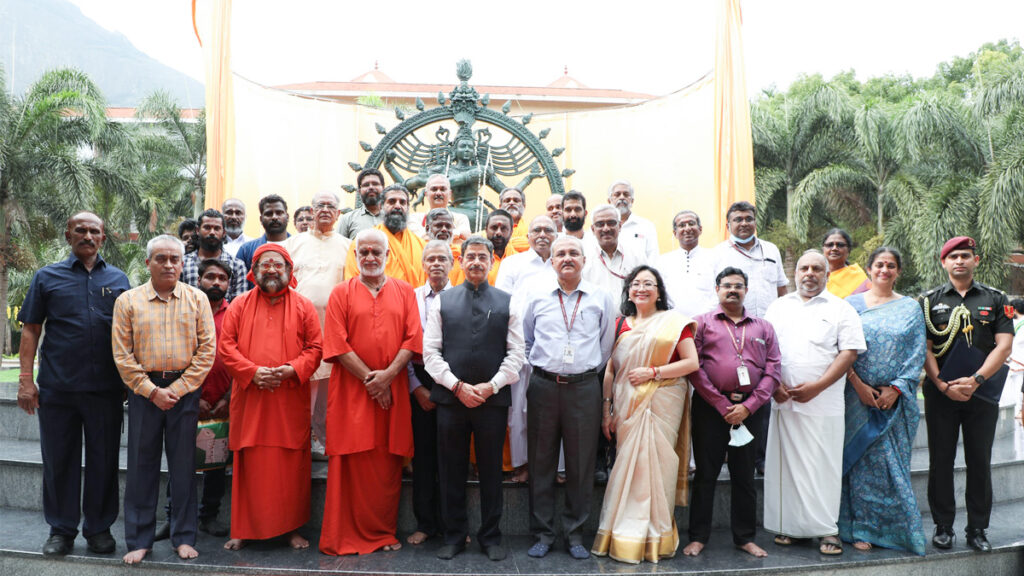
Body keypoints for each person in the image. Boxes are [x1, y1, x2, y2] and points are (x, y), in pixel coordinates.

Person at [16, 212, 130, 557]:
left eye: (94, 230)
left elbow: (129, 334)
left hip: (105, 390)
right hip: (58, 388)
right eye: (80, 230)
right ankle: (61, 531)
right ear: (68, 236)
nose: (87, 235)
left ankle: (98, 529)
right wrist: (25, 381)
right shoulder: (46, 277)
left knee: (104, 460)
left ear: (103, 238)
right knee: (59, 461)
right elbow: (31, 328)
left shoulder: (119, 279)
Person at [112, 235, 216, 564]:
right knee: (142, 467)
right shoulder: (128, 301)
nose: (168, 264)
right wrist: (151, 390)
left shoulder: (197, 299)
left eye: (175, 259)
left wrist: (180, 388)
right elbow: (122, 355)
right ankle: (139, 540)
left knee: (184, 467)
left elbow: (207, 351)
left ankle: (183, 537)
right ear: (148, 263)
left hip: (185, 391)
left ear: (184, 263)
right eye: (161, 259)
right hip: (144, 392)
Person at [320, 229, 422, 555]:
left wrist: (389, 376)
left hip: (393, 391)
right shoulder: (341, 292)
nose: (370, 258)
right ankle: (344, 535)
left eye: (376, 252)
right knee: (351, 461)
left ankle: (381, 532)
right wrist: (374, 382)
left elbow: (412, 340)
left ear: (387, 256)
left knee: (385, 463)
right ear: (355, 257)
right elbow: (336, 343)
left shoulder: (406, 292)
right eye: (363, 252)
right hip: (352, 392)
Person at [424, 236, 526, 560]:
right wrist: (457, 387)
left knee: (491, 470)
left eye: (483, 257)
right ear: (461, 261)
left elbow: (517, 354)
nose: (476, 262)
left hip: (491, 401)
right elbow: (430, 353)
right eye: (471, 256)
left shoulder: (508, 301)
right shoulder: (443, 301)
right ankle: (454, 535)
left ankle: (491, 537)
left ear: (492, 261)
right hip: (451, 400)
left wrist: (490, 386)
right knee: (451, 469)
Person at [591, 265, 699, 564]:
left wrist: (653, 372)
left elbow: (692, 363)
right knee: (629, 466)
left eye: (648, 283)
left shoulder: (674, 323)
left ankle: (655, 535)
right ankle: (623, 533)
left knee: (656, 468)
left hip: (663, 400)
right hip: (626, 405)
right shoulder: (620, 325)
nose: (641, 288)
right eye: (635, 283)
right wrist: (606, 410)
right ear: (628, 290)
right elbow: (611, 370)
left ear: (659, 291)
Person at [219, 244, 323, 551]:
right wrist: (252, 372)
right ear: (254, 271)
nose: (272, 269)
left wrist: (292, 370)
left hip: (288, 399)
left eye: (278, 264)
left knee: (291, 465)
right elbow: (226, 347)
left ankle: (290, 529)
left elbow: (316, 349)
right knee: (248, 463)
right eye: (265, 265)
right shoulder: (239, 304)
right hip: (251, 398)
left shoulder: (303, 305)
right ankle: (242, 529)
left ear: (289, 271)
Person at [762, 250, 865, 555]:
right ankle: (793, 528)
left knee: (823, 466)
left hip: (824, 403)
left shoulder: (841, 309)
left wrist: (818, 387)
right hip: (784, 401)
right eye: (804, 268)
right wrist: (773, 385)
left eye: (816, 269)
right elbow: (765, 350)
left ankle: (826, 530)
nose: (809, 273)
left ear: (827, 275)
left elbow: (849, 353)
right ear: (795, 273)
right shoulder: (778, 307)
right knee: (787, 467)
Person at [522, 236, 617, 560]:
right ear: (552, 261)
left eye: (573, 253)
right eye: (560, 253)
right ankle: (543, 533)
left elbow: (606, 345)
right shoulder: (536, 297)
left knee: (581, 464)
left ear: (583, 259)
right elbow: (526, 339)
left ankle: (575, 533)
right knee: (541, 461)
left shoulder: (601, 297)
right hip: (544, 386)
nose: (566, 258)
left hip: (583, 389)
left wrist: (583, 369)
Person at [920, 236, 1013, 552]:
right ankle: (943, 526)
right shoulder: (929, 301)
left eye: (965, 255)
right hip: (941, 394)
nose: (959, 261)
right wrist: (942, 384)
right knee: (941, 460)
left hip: (981, 393)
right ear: (943, 262)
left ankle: (977, 529)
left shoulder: (996, 299)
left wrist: (975, 380)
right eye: (953, 256)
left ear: (976, 261)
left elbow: (1004, 345)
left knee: (979, 461)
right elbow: (926, 348)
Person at [683, 266, 781, 559]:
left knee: (744, 475)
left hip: (751, 410)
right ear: (717, 290)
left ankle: (745, 537)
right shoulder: (701, 323)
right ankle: (698, 537)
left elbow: (774, 370)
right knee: (706, 474)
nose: (733, 290)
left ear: (746, 291)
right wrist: (722, 404)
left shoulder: (763, 327)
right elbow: (695, 368)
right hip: (710, 408)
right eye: (727, 285)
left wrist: (749, 406)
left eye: (738, 285)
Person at [838, 247, 926, 555]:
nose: (884, 270)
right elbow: (840, 346)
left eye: (890, 265)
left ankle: (893, 529)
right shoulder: (850, 305)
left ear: (898, 271)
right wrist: (858, 385)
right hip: (855, 398)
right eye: (879, 264)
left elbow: (917, 353)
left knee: (891, 467)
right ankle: (858, 527)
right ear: (869, 268)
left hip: (895, 403)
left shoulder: (910, 308)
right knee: (859, 466)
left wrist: (897, 389)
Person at [156, 259, 235, 541]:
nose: (216, 282)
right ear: (198, 279)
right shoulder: (185, 309)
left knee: (216, 463)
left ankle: (208, 516)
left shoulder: (236, 313)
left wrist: (229, 396)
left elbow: (242, 356)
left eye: (222, 278)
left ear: (229, 284)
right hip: (187, 399)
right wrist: (194, 394)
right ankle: (173, 516)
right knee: (181, 460)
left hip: (225, 403)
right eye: (210, 277)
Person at [284, 191, 351, 459]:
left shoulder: (349, 246)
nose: (325, 209)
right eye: (319, 205)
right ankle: (297, 441)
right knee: (300, 389)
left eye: (330, 206)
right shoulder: (293, 244)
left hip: (334, 331)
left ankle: (323, 443)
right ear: (311, 211)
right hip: (297, 331)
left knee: (327, 391)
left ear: (338, 214)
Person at [495, 215, 559, 482]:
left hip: (555, 349)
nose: (542, 234)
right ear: (528, 235)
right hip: (519, 348)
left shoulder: (563, 261)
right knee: (519, 411)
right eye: (537, 230)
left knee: (554, 413)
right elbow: (501, 306)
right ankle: (522, 466)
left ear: (556, 234)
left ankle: (554, 467)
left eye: (548, 230)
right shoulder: (513, 264)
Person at [405, 240, 454, 546]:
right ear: (423, 265)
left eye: (442, 259)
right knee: (423, 458)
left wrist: (449, 385)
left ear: (453, 264)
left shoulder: (463, 297)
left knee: (452, 457)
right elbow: (403, 346)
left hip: (453, 381)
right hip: (419, 379)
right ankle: (425, 523)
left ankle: (452, 526)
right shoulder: (410, 298)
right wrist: (417, 387)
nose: (436, 264)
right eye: (430, 259)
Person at [712, 201, 788, 318]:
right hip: (734, 324)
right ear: (728, 226)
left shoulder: (771, 250)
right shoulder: (718, 253)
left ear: (755, 223)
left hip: (770, 322)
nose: (744, 223)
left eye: (749, 219)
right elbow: (712, 293)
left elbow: (781, 288)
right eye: (738, 220)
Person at [344, 184, 426, 287]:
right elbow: (352, 284)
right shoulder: (362, 242)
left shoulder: (421, 245)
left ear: (408, 207)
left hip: (412, 302)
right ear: (381, 206)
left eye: (402, 202)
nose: (397, 206)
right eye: (392, 201)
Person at [655, 210, 717, 318]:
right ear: (675, 233)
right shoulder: (663, 261)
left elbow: (719, 293)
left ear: (700, 229)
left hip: (707, 323)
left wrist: (701, 318)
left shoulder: (714, 257)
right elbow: (659, 293)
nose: (687, 228)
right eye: (682, 225)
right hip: (672, 323)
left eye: (691, 224)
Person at [180, 208, 247, 301]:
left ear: (224, 232)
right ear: (197, 230)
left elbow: (239, 304)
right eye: (207, 227)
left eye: (216, 228)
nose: (212, 232)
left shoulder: (237, 266)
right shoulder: (183, 263)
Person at [582, 204, 645, 297]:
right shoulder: (584, 259)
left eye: (611, 223)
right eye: (600, 224)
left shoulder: (636, 254)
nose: (606, 228)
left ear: (619, 226)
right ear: (592, 229)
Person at [451, 209, 513, 287]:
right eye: (494, 228)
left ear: (511, 232)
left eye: (503, 228)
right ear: (486, 229)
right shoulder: (471, 258)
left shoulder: (518, 261)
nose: (498, 232)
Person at [235, 194, 291, 273]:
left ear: (287, 217)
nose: (274, 217)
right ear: (261, 219)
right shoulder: (246, 250)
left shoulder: (299, 247)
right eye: (269, 214)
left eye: (279, 213)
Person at [410, 174, 472, 243]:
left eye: (443, 189)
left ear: (450, 193)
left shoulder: (461, 219)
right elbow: (419, 238)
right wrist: (458, 234)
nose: (438, 193)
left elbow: (467, 237)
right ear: (426, 194)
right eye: (434, 189)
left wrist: (431, 236)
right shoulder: (414, 219)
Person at [608, 180, 659, 261]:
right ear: (609, 201)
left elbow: (653, 258)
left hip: (639, 273)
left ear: (632, 201)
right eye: (617, 194)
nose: (621, 197)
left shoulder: (646, 226)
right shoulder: (602, 228)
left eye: (626, 194)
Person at [338, 168, 386, 239]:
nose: (371, 187)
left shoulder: (393, 218)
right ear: (359, 191)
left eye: (375, 184)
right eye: (366, 185)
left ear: (383, 188)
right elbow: (340, 247)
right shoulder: (347, 219)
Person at [823, 228, 869, 298]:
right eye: (830, 245)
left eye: (840, 245)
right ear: (823, 249)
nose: (834, 248)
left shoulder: (858, 277)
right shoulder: (816, 274)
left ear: (849, 250)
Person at [499, 187, 531, 254]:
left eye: (516, 200)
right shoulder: (491, 230)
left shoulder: (531, 230)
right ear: (500, 206)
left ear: (524, 206)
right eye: (507, 200)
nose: (511, 203)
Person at [1006, 299, 1024, 414]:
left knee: (1015, 388)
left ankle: (1016, 411)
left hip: (1015, 359)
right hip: (1017, 359)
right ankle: (1017, 411)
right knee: (1017, 388)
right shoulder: (1015, 322)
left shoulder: (1016, 323)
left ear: (1014, 309)